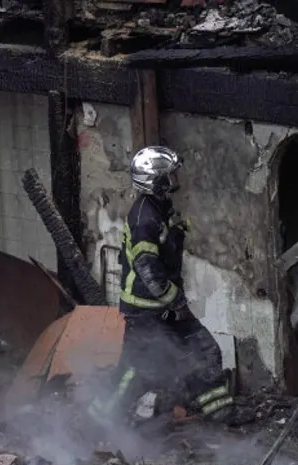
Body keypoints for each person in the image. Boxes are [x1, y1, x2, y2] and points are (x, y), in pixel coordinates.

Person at [90, 145, 251, 427]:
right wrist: (174, 301)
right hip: (146, 312)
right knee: (137, 371)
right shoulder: (144, 219)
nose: (175, 180)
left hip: (167, 307)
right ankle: (98, 421)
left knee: (204, 351)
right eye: (170, 175)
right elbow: (147, 268)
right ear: (155, 181)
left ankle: (221, 414)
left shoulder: (159, 209)